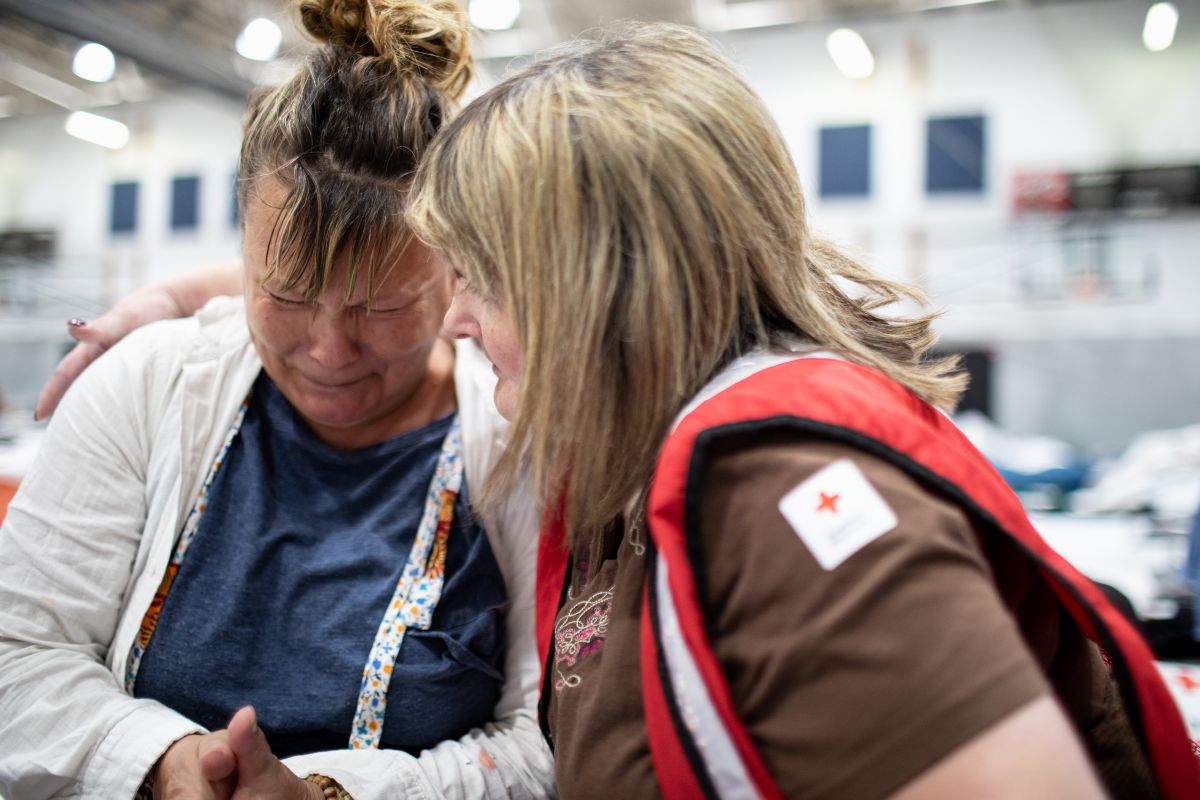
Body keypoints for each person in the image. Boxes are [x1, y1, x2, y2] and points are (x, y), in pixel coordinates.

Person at [405, 21, 1200, 799]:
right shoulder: (625, 474)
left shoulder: (775, 490)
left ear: (598, 290)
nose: (455, 319)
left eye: (481, 276)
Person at [0, 1, 554, 798]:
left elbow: (549, 738)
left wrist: (340, 793)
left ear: (456, 273)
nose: (330, 352)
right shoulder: (151, 385)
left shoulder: (516, 439)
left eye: (382, 308)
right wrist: (162, 764)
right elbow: (19, 654)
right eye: (286, 296)